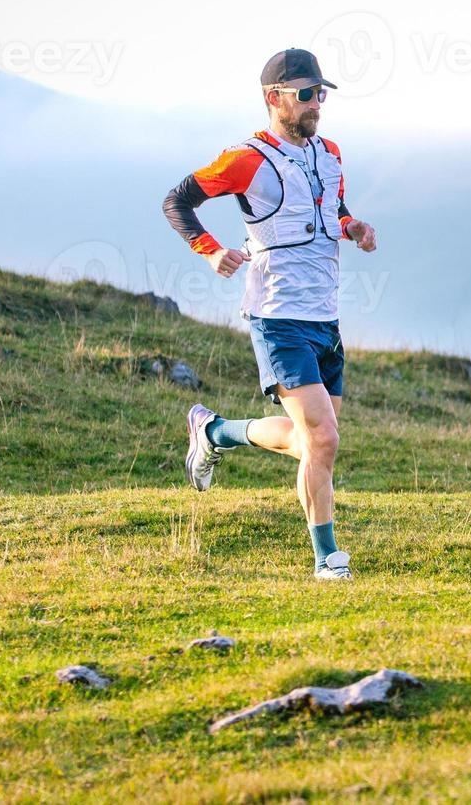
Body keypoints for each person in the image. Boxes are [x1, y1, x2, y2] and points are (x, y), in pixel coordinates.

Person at [160, 47, 378, 581]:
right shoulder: (246, 159)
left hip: (324, 317)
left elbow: (333, 208)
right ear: (272, 98)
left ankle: (213, 432)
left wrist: (352, 227)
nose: (316, 105)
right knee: (324, 440)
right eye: (306, 95)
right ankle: (327, 560)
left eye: (321, 94)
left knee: (311, 443)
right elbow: (177, 201)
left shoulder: (330, 153)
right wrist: (210, 250)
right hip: (277, 316)